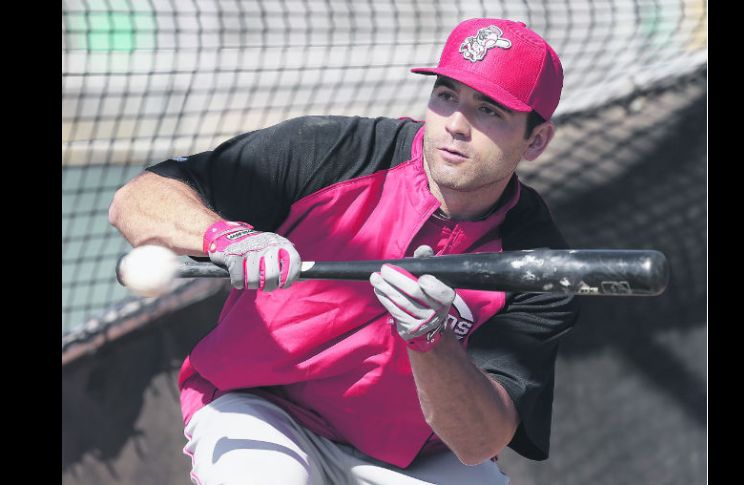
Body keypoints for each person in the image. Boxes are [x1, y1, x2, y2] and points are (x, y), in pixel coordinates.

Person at [109, 17, 580, 485]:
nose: (455, 124)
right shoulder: (332, 151)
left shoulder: (536, 263)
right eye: (446, 95)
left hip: (417, 453)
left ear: (535, 141)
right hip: (265, 409)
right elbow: (137, 199)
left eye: (489, 111)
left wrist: (432, 341)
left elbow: (480, 442)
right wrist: (226, 237)